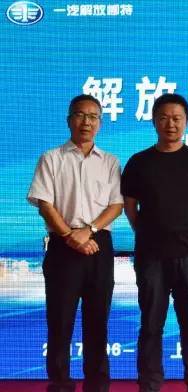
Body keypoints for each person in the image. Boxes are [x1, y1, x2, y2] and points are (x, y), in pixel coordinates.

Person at [121, 93, 188, 392]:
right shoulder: (139, 162)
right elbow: (130, 207)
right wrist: (146, 233)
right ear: (154, 121)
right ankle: (150, 384)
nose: (170, 124)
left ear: (186, 122)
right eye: (164, 118)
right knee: (151, 325)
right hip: (151, 256)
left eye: (177, 118)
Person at [27, 94, 123, 392]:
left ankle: (97, 384)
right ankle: (60, 383)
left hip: (99, 245)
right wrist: (70, 236)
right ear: (69, 120)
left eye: (93, 117)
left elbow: (116, 205)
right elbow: (45, 204)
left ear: (100, 123)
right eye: (80, 115)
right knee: (60, 320)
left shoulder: (110, 162)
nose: (86, 122)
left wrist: (89, 231)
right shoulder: (51, 158)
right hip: (62, 246)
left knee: (98, 321)